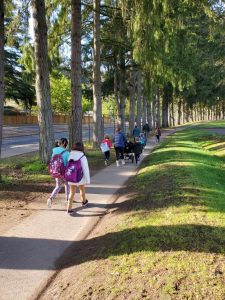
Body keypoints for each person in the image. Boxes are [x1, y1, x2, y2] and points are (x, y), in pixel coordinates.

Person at [66, 142, 90, 214]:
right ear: (81, 148)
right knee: (82, 189)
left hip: (71, 176)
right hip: (80, 177)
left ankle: (69, 208)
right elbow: (85, 169)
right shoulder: (83, 157)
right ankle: (84, 201)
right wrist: (87, 180)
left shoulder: (70, 155)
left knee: (72, 192)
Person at [47, 138, 70, 208]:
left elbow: (52, 161)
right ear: (63, 143)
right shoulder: (67, 153)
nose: (67, 145)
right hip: (64, 172)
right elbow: (69, 163)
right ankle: (68, 199)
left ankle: (50, 198)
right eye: (66, 143)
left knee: (58, 186)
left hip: (56, 172)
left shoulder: (54, 151)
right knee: (67, 185)